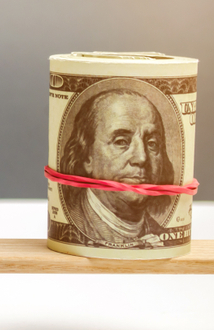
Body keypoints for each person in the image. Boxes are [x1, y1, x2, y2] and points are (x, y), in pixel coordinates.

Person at [59, 89, 175, 248]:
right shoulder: (73, 226)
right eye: (121, 142)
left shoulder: (164, 236)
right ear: (87, 156)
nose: (142, 158)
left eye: (152, 144)